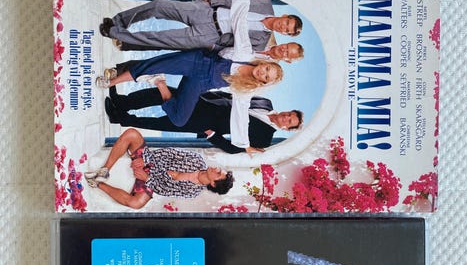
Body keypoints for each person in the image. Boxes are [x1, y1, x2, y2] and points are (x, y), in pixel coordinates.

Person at [105, 87, 304, 154]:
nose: (286, 118)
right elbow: (232, 96)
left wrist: (212, 134)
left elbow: (235, 149)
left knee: (161, 123)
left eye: (289, 122)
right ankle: (122, 102)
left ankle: (119, 117)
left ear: (286, 128)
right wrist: (208, 93)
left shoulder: (265, 138)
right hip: (205, 102)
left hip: (207, 124)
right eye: (289, 114)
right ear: (287, 111)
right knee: (161, 94)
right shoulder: (266, 102)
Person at [100, 0, 303, 53]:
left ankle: (114, 33)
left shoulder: (261, 42)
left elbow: (233, 48)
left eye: (286, 30)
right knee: (159, 5)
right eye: (286, 23)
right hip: (206, 12)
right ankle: (119, 21)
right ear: (285, 16)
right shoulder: (264, 2)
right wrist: (209, 2)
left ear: (284, 34)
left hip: (209, 36)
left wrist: (213, 45)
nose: (282, 27)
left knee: (159, 38)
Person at [85, 128, 234, 209]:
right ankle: (105, 170)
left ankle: (97, 184)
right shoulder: (197, 160)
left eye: (218, 173)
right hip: (150, 162)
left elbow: (165, 190)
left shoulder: (193, 192)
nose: (216, 169)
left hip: (151, 182)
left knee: (136, 203)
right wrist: (145, 161)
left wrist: (147, 178)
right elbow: (167, 153)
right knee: (132, 134)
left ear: (213, 183)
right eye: (219, 169)